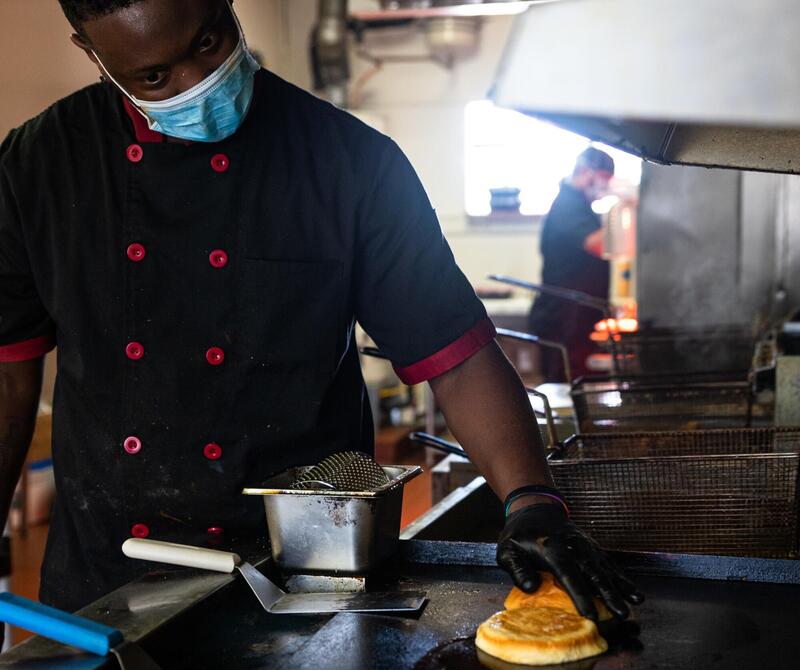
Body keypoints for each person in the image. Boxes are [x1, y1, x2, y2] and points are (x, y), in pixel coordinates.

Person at [0, 0, 641, 627]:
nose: (195, 84)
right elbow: (7, 373)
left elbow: (456, 352)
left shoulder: (350, 163)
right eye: (154, 77)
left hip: (311, 575)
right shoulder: (38, 169)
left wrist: (530, 499)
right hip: (108, 587)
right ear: (93, 53)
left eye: (207, 42)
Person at [529, 147, 614, 383]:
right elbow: (598, 245)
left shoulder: (582, 206)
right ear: (586, 172)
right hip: (563, 318)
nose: (603, 191)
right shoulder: (568, 206)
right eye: (603, 182)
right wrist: (627, 209)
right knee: (565, 389)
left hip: (579, 317)